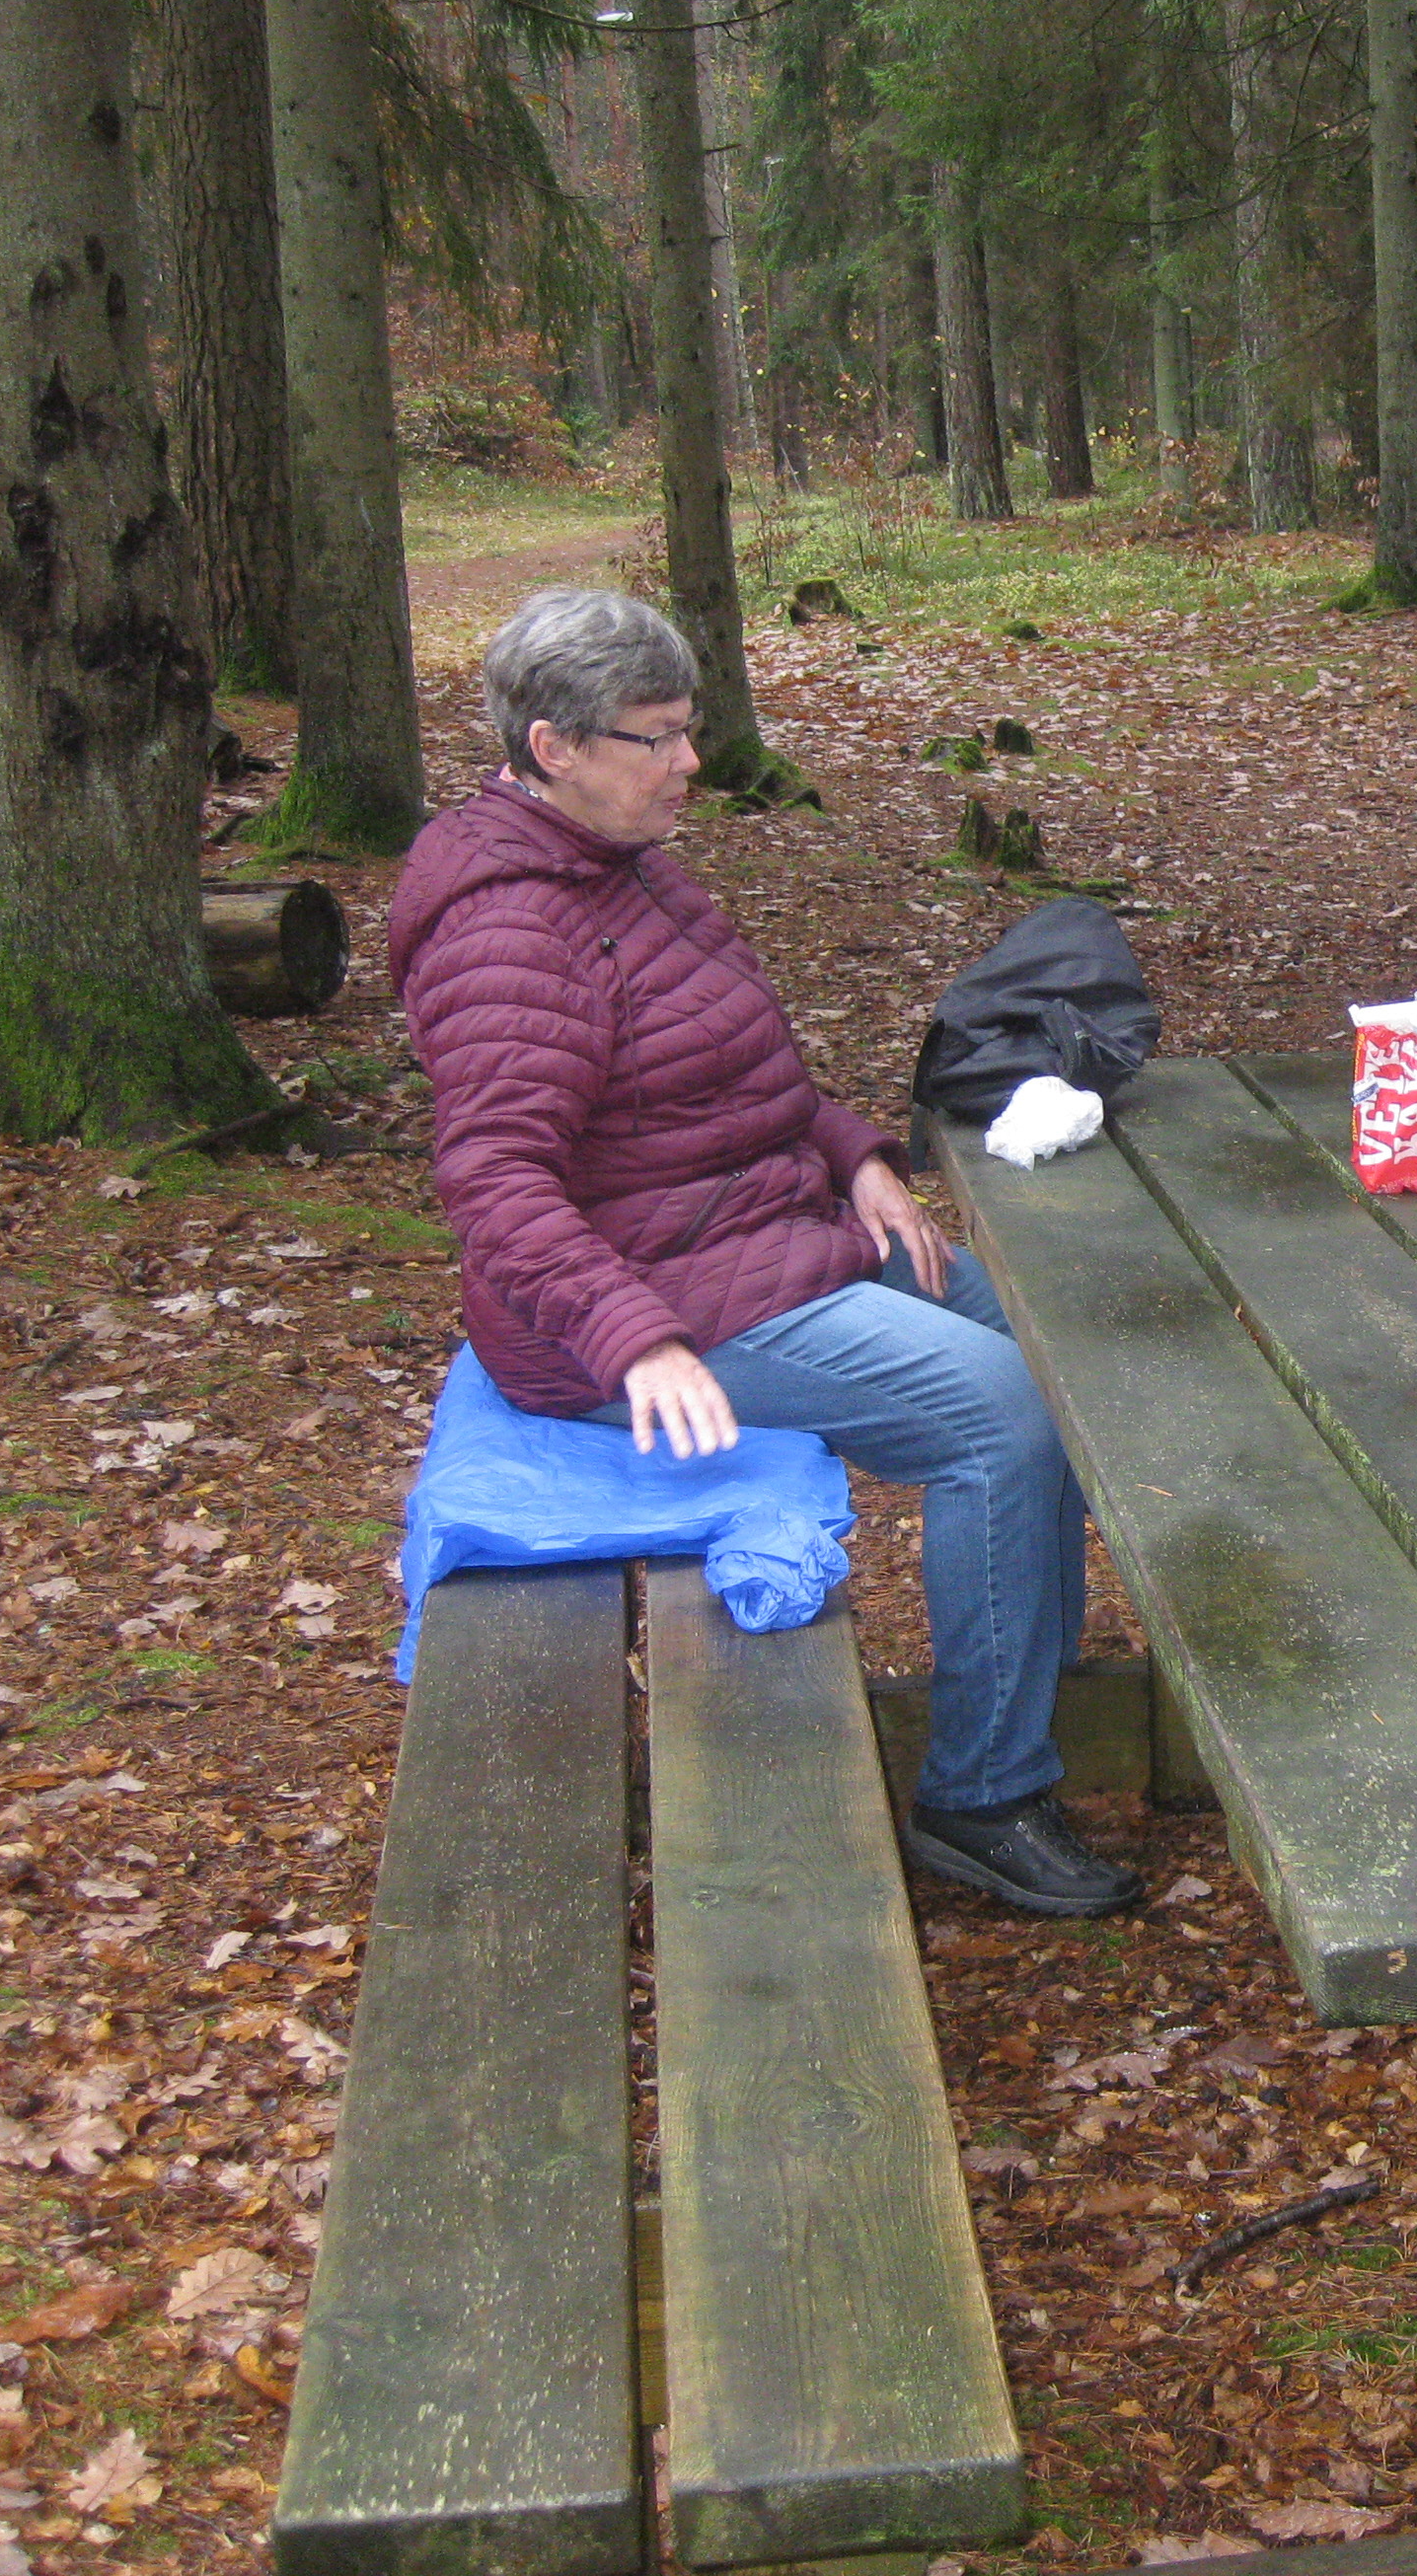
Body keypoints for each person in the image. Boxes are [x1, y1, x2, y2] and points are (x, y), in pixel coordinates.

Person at [390, 587, 1141, 1917]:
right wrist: (635, 1337)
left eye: (689, 728)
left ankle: (1025, 1688)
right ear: (553, 748)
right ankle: (984, 1796)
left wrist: (853, 1154)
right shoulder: (508, 930)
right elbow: (495, 1182)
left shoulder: (623, 867)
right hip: (638, 1307)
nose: (692, 761)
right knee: (1001, 1416)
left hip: (754, 1239)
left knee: (1051, 1351)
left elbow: (734, 1069)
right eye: (658, 738)